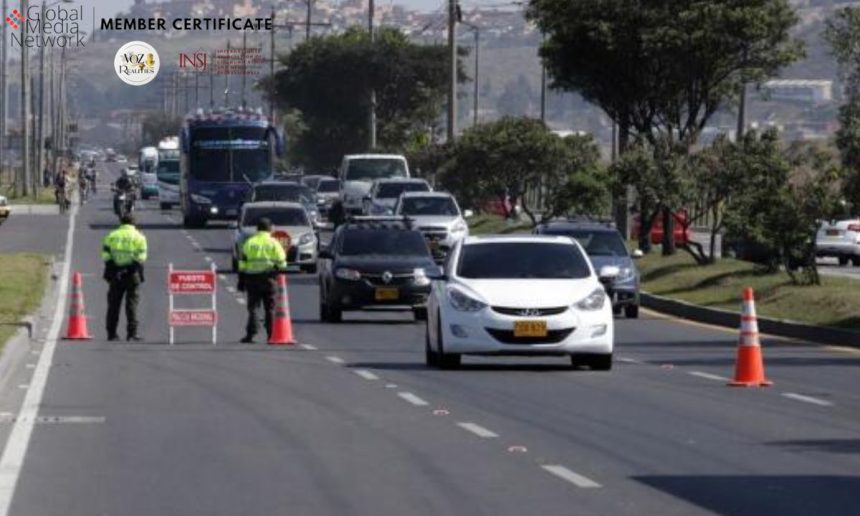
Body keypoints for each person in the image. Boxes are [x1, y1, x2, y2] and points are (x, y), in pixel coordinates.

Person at [237, 217, 287, 343]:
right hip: (269, 279)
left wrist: (241, 280)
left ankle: (250, 334)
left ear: (257, 229)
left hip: (251, 279)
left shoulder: (250, 242)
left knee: (253, 308)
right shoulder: (273, 242)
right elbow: (282, 262)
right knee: (269, 308)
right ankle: (271, 335)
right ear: (270, 228)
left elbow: (242, 262)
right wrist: (275, 268)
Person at [101, 213, 148, 341]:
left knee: (113, 305)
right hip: (132, 275)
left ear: (121, 222)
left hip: (115, 274)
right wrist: (128, 269)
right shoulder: (139, 237)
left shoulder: (112, 235)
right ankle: (132, 333)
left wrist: (116, 268)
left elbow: (105, 255)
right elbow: (141, 258)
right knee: (132, 304)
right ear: (134, 223)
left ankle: (111, 333)